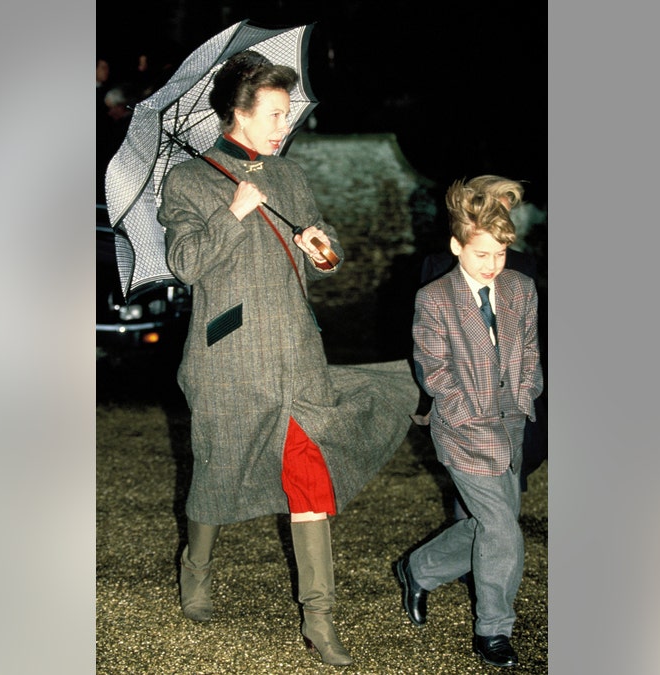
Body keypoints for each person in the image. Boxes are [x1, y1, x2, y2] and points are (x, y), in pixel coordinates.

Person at [157, 50, 418, 667]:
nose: (283, 125)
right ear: (236, 114)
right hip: (229, 355)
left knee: (310, 476)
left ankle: (319, 620)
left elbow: (325, 257)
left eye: (286, 113)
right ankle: (197, 565)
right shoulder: (189, 181)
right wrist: (232, 212)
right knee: (220, 469)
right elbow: (186, 264)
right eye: (273, 114)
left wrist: (321, 249)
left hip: (296, 352)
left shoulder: (292, 177)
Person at [394, 176, 544, 668]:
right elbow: (433, 370)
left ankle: (418, 569)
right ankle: (494, 631)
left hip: (512, 423)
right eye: (482, 255)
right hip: (463, 430)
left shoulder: (521, 289)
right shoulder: (435, 299)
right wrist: (464, 411)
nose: (492, 265)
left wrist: (526, 394)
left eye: (500, 254)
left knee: (491, 523)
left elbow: (529, 352)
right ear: (457, 246)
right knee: (502, 528)